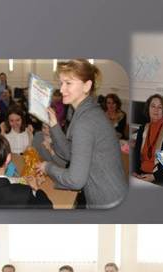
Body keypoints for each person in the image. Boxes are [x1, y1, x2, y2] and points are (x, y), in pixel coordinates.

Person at [36, 59, 127, 209]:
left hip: (107, 199)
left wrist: (47, 167)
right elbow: (70, 153)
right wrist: (54, 124)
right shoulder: (87, 112)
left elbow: (76, 180)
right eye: (61, 83)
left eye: (68, 83)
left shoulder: (85, 121)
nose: (62, 89)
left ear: (87, 86)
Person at [132, 94, 163, 186]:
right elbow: (136, 155)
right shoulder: (143, 128)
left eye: (160, 107)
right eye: (153, 106)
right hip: (140, 175)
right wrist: (134, 171)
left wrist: (154, 177)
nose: (156, 110)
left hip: (160, 179)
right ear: (148, 109)